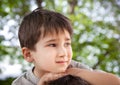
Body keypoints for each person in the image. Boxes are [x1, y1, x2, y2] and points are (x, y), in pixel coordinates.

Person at [12, 8, 120, 85]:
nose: (63, 53)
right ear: (28, 54)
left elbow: (115, 82)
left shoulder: (74, 67)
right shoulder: (21, 83)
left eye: (67, 44)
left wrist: (75, 72)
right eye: (53, 44)